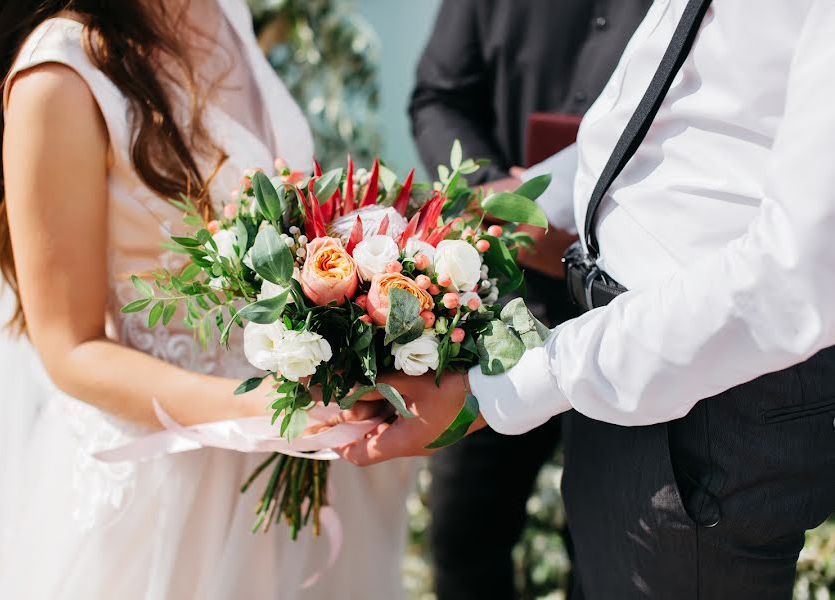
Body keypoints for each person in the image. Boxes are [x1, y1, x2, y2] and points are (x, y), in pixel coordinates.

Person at [342, 1, 835, 598]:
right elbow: (679, 129)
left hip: (705, 403)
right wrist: (506, 206)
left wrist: (500, 389)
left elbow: (795, 276)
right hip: (618, 365)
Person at [0, 1, 414, 598]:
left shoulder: (222, 10)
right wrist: (258, 413)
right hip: (169, 489)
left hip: (298, 458)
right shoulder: (59, 74)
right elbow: (69, 347)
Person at [408, 1, 650, 597]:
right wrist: (499, 201)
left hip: (638, 314)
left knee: (620, 552)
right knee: (463, 536)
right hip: (495, 302)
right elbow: (439, 95)